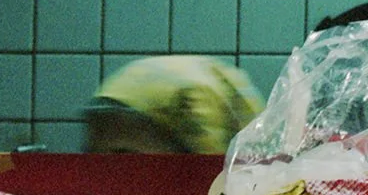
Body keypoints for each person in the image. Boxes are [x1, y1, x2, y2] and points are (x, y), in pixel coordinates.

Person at [82, 56, 264, 155]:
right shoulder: (213, 96)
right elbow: (208, 165)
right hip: (146, 109)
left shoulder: (213, 81)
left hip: (108, 97)